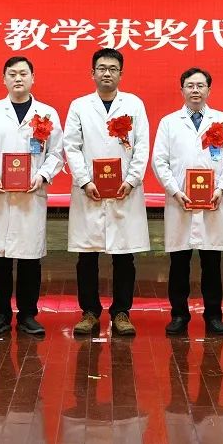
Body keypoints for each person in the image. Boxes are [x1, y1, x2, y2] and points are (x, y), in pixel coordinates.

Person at [0, 56, 64, 337]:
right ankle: (0, 315)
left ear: (33, 78)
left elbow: (57, 153)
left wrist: (42, 175)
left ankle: (28, 315)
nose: (18, 78)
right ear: (4, 79)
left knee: (30, 259)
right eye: (12, 73)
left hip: (31, 195)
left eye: (23, 73)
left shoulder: (47, 113)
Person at [63, 48, 151, 337]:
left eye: (113, 69)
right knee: (87, 257)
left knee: (124, 256)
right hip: (89, 190)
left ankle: (122, 312)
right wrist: (84, 180)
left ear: (121, 74)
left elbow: (142, 146)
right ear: (92, 73)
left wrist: (132, 179)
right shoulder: (79, 106)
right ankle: (89, 312)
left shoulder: (134, 104)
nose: (107, 73)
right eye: (101, 68)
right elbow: (71, 146)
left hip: (125, 190)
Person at [151, 67, 223, 336]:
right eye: (190, 85)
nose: (195, 90)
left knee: (211, 263)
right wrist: (174, 190)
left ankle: (213, 315)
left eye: (200, 86)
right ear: (182, 90)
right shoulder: (169, 122)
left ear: (209, 90)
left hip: (213, 201)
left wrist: (221, 188)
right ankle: (179, 315)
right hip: (180, 201)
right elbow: (159, 161)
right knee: (179, 263)